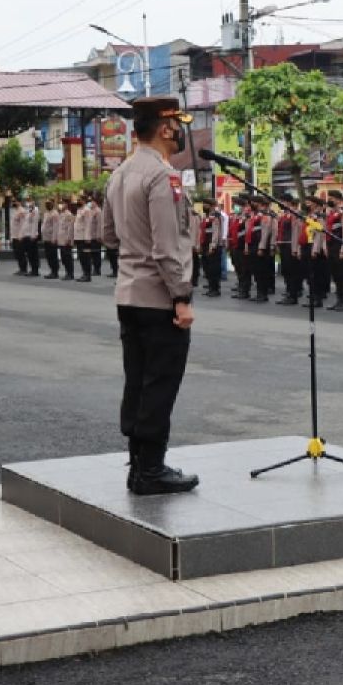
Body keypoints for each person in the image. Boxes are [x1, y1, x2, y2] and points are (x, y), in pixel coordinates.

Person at [100, 97, 199, 496]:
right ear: (165, 128)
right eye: (178, 124)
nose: (181, 132)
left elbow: (109, 235)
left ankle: (138, 465)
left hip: (128, 293)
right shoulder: (163, 176)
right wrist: (181, 297)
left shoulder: (120, 172)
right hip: (159, 299)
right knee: (160, 383)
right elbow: (166, 246)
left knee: (138, 381)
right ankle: (151, 469)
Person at [199, 197, 224, 297]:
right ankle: (210, 287)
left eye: (205, 204)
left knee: (214, 269)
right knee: (207, 268)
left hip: (213, 246)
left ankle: (215, 289)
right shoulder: (207, 216)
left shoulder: (215, 216)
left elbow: (216, 233)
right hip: (205, 244)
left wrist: (212, 246)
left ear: (210, 206)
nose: (203, 206)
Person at [73, 196, 93, 283]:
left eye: (79, 200)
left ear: (84, 201)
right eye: (78, 200)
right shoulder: (79, 210)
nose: (78, 201)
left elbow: (88, 224)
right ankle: (84, 273)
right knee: (81, 257)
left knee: (86, 257)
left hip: (84, 238)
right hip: (78, 237)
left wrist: (87, 237)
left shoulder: (87, 210)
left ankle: (87, 275)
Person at [57, 199, 76, 280]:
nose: (61, 205)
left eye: (63, 204)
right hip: (61, 239)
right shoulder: (61, 214)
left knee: (68, 257)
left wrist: (68, 238)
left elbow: (70, 228)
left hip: (66, 239)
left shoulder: (69, 215)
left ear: (67, 205)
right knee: (63, 258)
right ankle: (67, 272)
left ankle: (70, 274)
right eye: (60, 204)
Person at [41, 199, 60, 279]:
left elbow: (56, 227)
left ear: (53, 204)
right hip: (46, 238)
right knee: (48, 255)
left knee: (53, 256)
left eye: (49, 203)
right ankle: (52, 270)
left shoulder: (55, 214)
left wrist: (54, 238)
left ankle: (55, 272)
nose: (47, 205)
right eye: (46, 203)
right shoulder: (46, 213)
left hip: (51, 238)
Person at [22, 199, 40, 276]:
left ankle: (35, 270)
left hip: (32, 236)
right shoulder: (29, 211)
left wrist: (33, 235)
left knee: (33, 254)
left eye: (30, 202)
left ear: (34, 203)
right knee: (29, 254)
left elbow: (35, 224)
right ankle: (32, 269)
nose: (28, 203)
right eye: (28, 202)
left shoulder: (35, 211)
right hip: (27, 235)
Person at [9, 199, 27, 275]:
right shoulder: (15, 211)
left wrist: (21, 235)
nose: (14, 203)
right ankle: (20, 268)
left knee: (21, 253)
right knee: (17, 253)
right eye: (13, 201)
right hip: (14, 235)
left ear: (19, 202)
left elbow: (23, 225)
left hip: (19, 236)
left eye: (15, 201)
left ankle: (23, 269)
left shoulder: (22, 211)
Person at [89, 194, 104, 277]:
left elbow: (99, 224)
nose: (91, 203)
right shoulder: (90, 211)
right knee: (92, 254)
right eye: (91, 201)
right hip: (90, 235)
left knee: (96, 254)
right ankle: (94, 268)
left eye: (93, 201)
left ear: (96, 202)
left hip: (96, 236)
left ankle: (97, 269)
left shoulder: (98, 211)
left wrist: (99, 235)